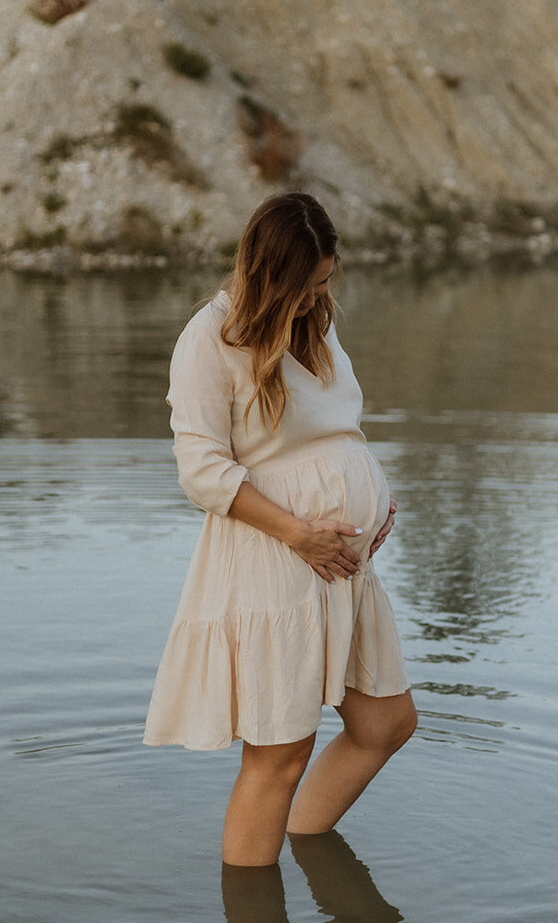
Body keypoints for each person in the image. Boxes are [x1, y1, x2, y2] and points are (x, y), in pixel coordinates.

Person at [144, 192, 417, 865]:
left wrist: (374, 505)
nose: (315, 297)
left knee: (385, 724)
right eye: (304, 285)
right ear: (268, 275)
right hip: (278, 558)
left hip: (341, 568)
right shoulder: (208, 338)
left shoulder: (316, 328)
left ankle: (304, 844)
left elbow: (332, 435)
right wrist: (299, 531)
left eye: (324, 282)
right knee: (278, 754)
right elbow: (201, 472)